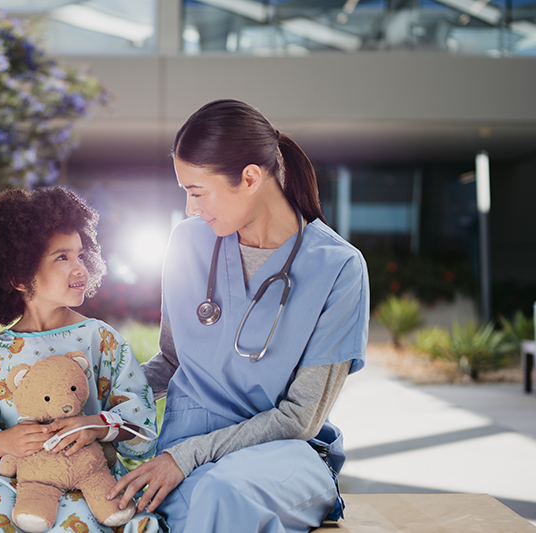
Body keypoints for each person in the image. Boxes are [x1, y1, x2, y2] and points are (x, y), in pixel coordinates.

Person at [108, 99, 370, 533]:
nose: (191, 209)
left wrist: (186, 457)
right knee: (192, 508)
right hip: (184, 451)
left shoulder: (338, 268)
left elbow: (299, 418)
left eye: (197, 192)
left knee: (221, 496)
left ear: (250, 177)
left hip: (278, 458)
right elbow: (172, 361)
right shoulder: (188, 242)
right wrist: (100, 406)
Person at [0, 186, 162, 533]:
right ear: (18, 275)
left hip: (91, 480)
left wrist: (96, 425)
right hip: (19, 486)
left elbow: (140, 422)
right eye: (62, 257)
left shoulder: (100, 339)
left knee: (79, 524)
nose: (79, 268)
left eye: (81, 255)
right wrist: (6, 442)